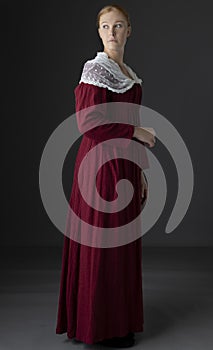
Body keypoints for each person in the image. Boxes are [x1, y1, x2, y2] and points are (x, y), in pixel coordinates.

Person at [55, 4, 156, 348]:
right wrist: (137, 132)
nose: (111, 32)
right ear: (98, 32)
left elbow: (127, 122)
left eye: (118, 25)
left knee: (122, 246)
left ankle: (119, 322)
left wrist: (140, 170)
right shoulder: (94, 70)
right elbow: (88, 123)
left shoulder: (128, 71)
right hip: (99, 167)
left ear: (130, 30)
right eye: (105, 26)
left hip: (125, 164)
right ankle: (98, 328)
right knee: (104, 245)